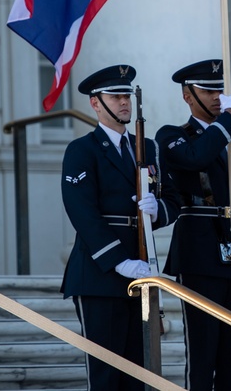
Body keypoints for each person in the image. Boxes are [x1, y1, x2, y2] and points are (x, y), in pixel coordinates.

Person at [60, 64, 180, 391]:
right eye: (115, 96)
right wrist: (118, 261)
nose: (124, 102)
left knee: (137, 374)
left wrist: (158, 213)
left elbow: (173, 198)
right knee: (106, 373)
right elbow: (82, 212)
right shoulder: (82, 150)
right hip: (100, 274)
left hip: (141, 269)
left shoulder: (149, 148)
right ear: (95, 103)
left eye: (127, 95)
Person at [156, 59, 231, 390]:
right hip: (200, 254)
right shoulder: (173, 136)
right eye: (208, 90)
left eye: (220, 89)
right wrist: (228, 121)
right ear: (187, 96)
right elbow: (196, 158)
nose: (218, 97)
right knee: (203, 353)